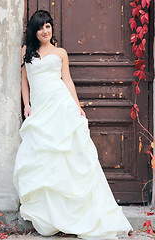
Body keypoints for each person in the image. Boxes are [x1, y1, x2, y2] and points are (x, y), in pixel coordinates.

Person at [13, 10, 133, 240]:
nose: (45, 30)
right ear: (34, 31)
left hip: (61, 105)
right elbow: (24, 81)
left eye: (48, 26)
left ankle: (75, 213)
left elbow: (67, 79)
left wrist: (77, 106)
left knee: (69, 155)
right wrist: (26, 105)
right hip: (40, 109)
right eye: (40, 27)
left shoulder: (60, 53)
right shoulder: (25, 53)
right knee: (43, 158)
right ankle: (51, 214)